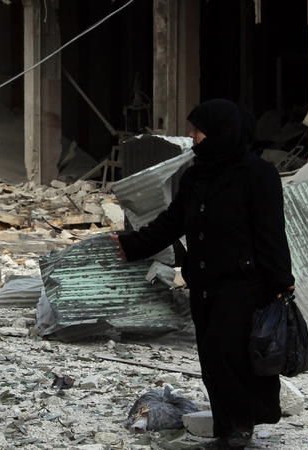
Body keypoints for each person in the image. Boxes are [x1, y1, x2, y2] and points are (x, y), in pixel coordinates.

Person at [110, 99, 295, 450]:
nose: (192, 136)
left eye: (198, 129)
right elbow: (172, 222)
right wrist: (132, 244)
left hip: (245, 285)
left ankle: (242, 427)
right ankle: (226, 430)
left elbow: (271, 232)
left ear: (221, 133)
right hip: (206, 284)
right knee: (211, 357)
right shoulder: (197, 174)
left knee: (232, 354)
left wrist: (280, 280)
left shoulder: (259, 175)